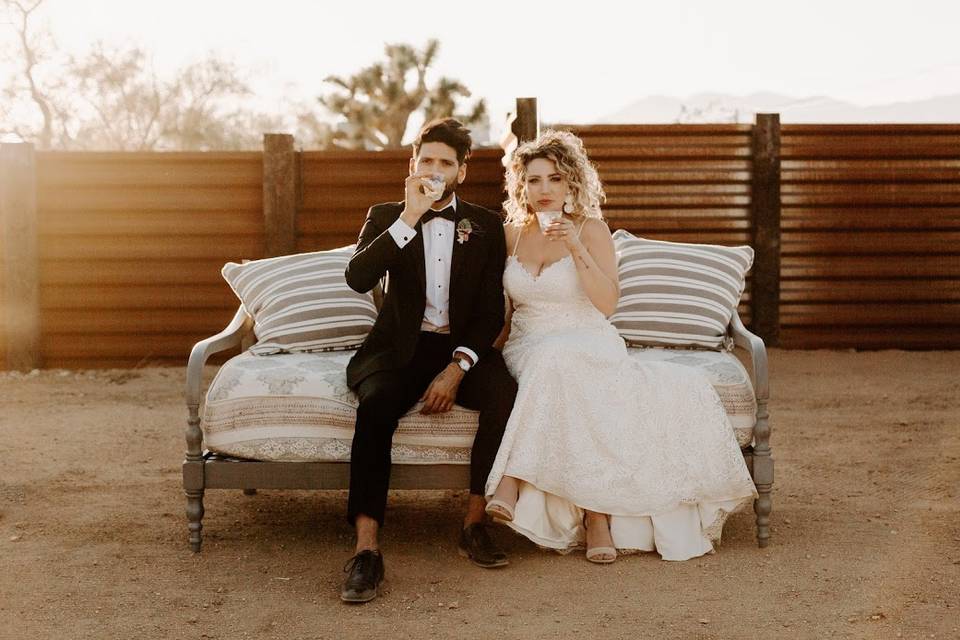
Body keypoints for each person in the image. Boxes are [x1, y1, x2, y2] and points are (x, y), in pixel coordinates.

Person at [485, 130, 758, 563]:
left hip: (589, 337)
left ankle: (515, 482)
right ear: (521, 185)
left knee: (565, 365)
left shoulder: (592, 230)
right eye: (533, 180)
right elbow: (500, 311)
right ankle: (596, 519)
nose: (544, 190)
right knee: (553, 361)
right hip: (531, 341)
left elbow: (607, 304)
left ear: (571, 183)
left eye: (554, 179)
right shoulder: (510, 235)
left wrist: (574, 246)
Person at [341, 118, 518, 603]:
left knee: (504, 395)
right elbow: (357, 279)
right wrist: (409, 218)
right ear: (413, 165)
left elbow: (488, 313)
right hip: (399, 347)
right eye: (427, 161)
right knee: (375, 406)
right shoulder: (385, 217)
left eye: (446, 163)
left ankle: (475, 523)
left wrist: (458, 367)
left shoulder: (485, 226)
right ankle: (366, 550)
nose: (435, 170)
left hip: (460, 349)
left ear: (461, 171)